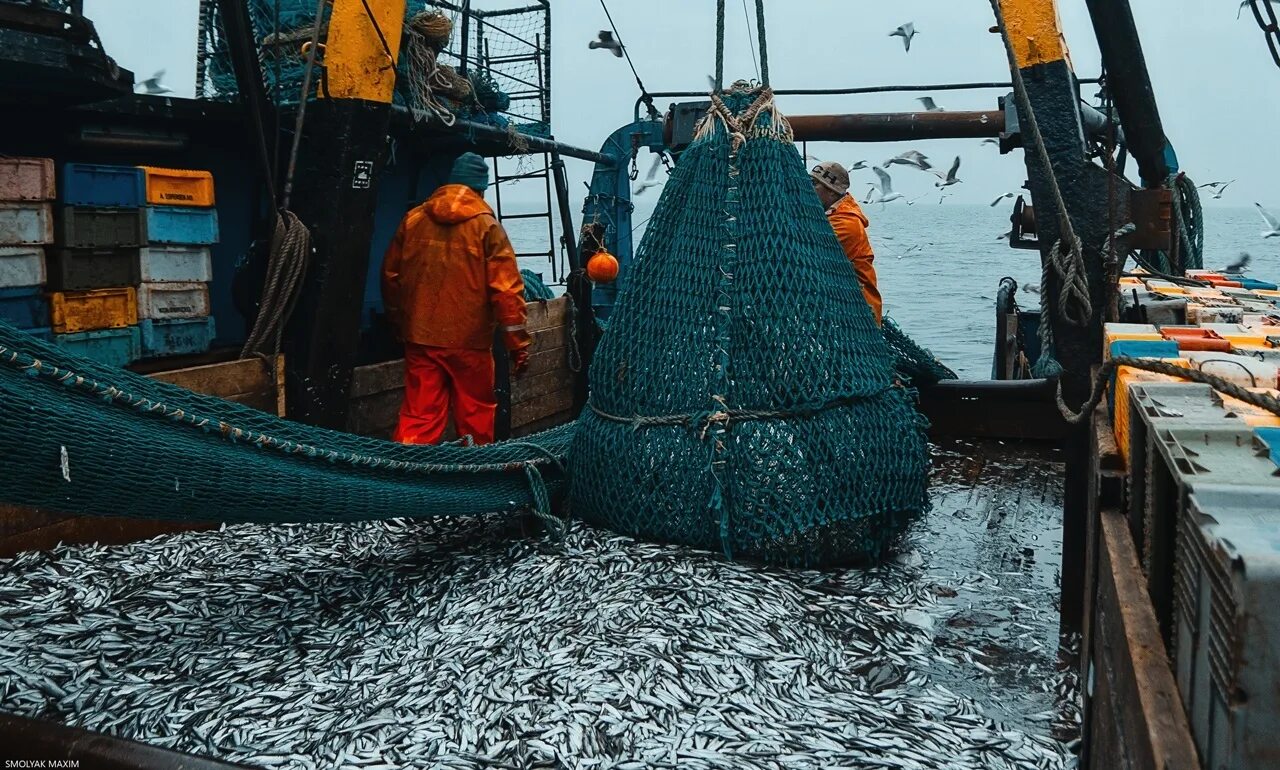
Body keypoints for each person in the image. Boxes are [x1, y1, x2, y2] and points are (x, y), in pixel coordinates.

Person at [382, 152, 530, 445]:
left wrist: (401, 325)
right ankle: (470, 478)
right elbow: (507, 292)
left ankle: (407, 476)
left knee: (419, 417)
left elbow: (391, 278)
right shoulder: (487, 227)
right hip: (470, 344)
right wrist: (519, 347)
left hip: (421, 338)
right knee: (474, 415)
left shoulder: (413, 219)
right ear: (480, 188)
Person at [810, 160, 883, 324]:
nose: (808, 189)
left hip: (860, 314)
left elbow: (812, 253)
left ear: (832, 192)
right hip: (840, 307)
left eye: (814, 184)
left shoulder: (847, 223)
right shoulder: (829, 214)